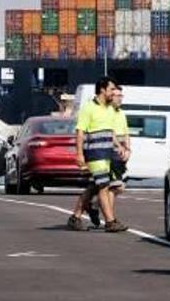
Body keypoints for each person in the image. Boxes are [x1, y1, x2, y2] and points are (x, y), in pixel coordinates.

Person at [68, 77, 128, 233]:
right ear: (102, 90)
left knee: (94, 186)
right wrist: (79, 154)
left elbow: (110, 131)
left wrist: (118, 146)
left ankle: (75, 217)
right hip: (94, 153)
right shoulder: (88, 108)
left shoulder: (109, 109)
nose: (114, 93)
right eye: (111, 90)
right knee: (103, 186)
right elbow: (80, 132)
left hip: (107, 153)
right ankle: (110, 221)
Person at [85, 87, 129, 227]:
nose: (119, 98)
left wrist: (127, 149)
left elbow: (126, 132)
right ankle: (110, 219)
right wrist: (118, 148)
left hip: (119, 152)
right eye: (116, 95)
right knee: (115, 186)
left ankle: (93, 207)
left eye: (121, 95)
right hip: (109, 152)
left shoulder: (121, 113)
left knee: (102, 186)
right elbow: (110, 133)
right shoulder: (107, 112)